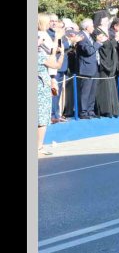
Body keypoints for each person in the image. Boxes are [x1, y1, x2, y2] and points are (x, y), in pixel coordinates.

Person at [38, 23, 65, 156]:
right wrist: (62, 53)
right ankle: (39, 147)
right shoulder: (38, 56)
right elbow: (56, 64)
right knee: (42, 120)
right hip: (41, 89)